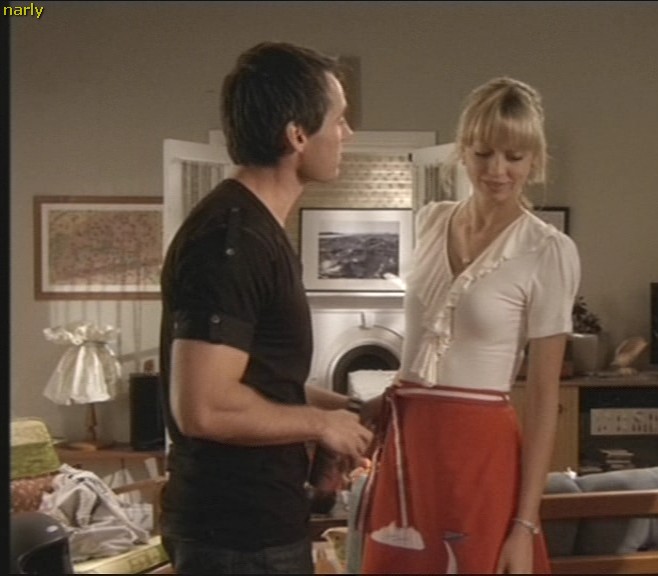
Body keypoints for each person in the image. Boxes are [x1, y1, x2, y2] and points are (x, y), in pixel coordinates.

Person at [158, 41, 374, 575]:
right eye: (339, 119)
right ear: (297, 135)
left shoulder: (257, 230)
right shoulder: (231, 240)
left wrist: (347, 410)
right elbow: (204, 407)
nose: (347, 133)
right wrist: (319, 425)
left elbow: (261, 381)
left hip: (260, 527)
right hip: (236, 539)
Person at [358, 77, 581, 574]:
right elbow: (421, 352)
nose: (497, 170)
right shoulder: (430, 221)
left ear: (535, 161)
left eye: (514, 156)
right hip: (408, 443)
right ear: (463, 151)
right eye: (483, 153)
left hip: (481, 451)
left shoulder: (548, 251)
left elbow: (544, 397)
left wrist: (525, 525)